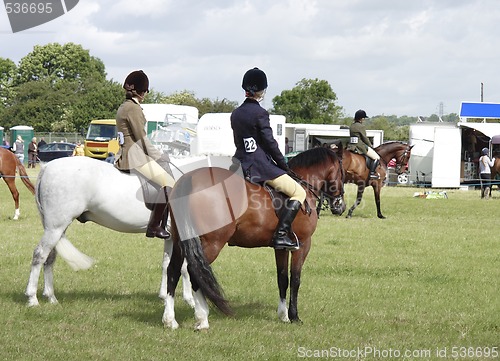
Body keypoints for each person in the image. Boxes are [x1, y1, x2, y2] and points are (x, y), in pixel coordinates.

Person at [231, 67, 306, 251]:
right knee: (299, 193)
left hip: (239, 164)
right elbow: (270, 144)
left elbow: (238, 142)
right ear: (262, 90)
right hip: (260, 166)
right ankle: (281, 235)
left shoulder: (236, 113)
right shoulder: (260, 113)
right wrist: (284, 165)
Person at [114, 70, 175, 239]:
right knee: (169, 184)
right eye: (146, 91)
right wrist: (159, 156)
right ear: (142, 91)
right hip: (135, 158)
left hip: (124, 154)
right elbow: (142, 139)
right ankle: (154, 226)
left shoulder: (124, 107)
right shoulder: (133, 109)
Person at [347, 109, 381, 179]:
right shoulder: (361, 126)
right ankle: (372, 173)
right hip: (359, 146)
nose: (364, 120)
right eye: (363, 118)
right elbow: (364, 138)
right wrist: (370, 146)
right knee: (376, 157)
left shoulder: (352, 126)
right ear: (361, 118)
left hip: (351, 146)